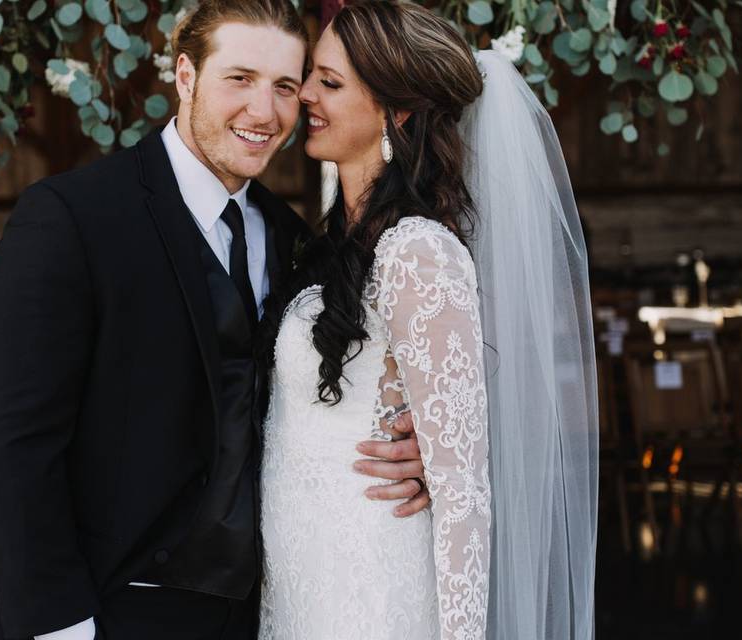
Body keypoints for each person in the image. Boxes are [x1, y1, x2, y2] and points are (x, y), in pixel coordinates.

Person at [0, 2, 429, 639]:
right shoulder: (72, 218)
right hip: (110, 607)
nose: (263, 113)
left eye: (285, 88)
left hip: (260, 611)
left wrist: (428, 447)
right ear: (185, 76)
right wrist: (56, 623)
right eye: (238, 79)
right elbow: (15, 444)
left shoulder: (291, 235)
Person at [257, 2, 599, 639]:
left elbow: (464, 494)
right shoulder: (335, 240)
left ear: (399, 110)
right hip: (305, 583)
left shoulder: (419, 252)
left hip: (374, 591)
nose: (303, 94)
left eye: (329, 83)